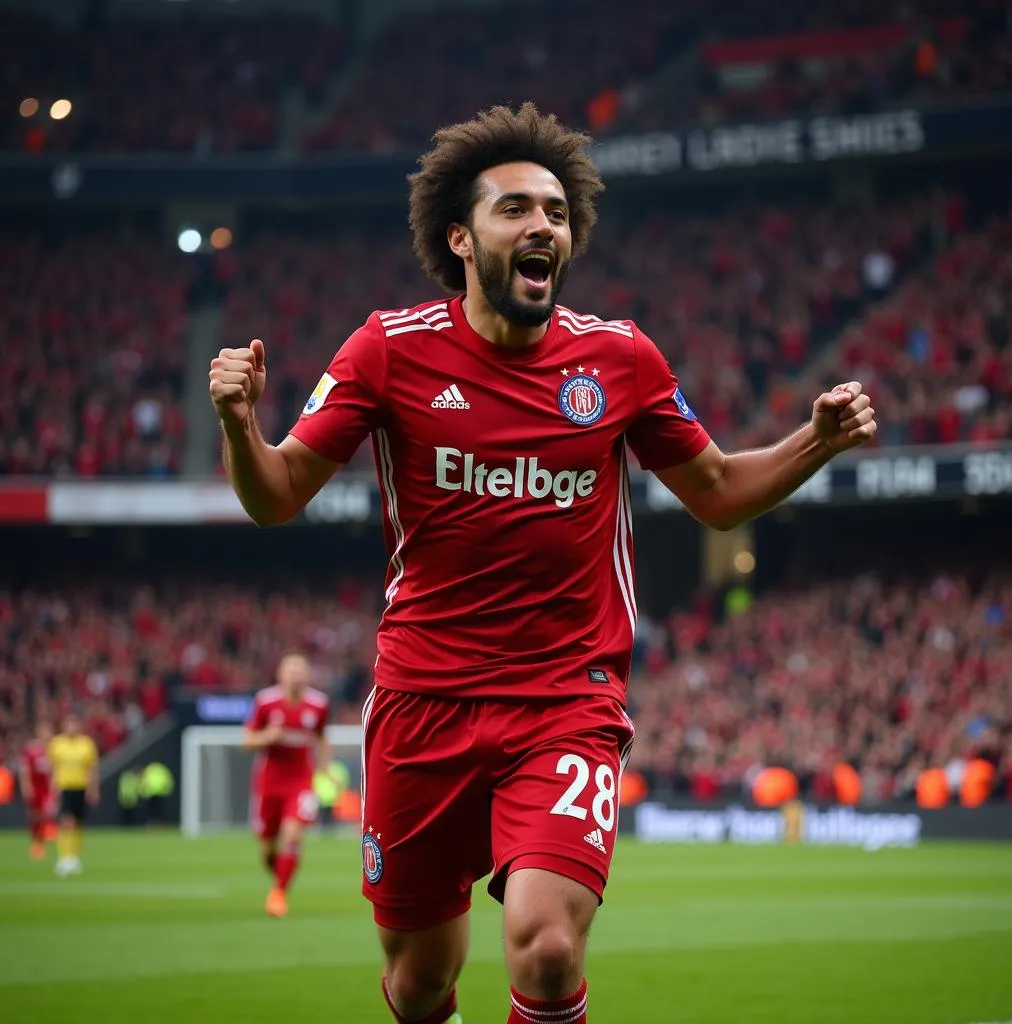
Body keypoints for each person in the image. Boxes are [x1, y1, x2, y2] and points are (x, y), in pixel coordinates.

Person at [210, 102, 878, 1024]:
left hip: (566, 697)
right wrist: (241, 427)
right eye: (516, 209)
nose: (543, 227)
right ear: (461, 236)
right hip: (420, 701)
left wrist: (815, 439)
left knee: (550, 947)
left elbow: (719, 488)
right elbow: (276, 494)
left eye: (558, 213)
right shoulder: (388, 351)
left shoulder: (619, 359)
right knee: (419, 983)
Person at [243, 652, 331, 917]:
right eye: (291, 670)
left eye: (301, 670)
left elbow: (321, 738)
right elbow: (247, 740)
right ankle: (280, 875)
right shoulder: (266, 702)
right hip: (269, 782)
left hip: (301, 781)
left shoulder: (319, 704)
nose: (296, 675)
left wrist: (325, 769)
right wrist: (268, 736)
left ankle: (278, 894)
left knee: (292, 834)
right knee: (268, 847)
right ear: (280, 674)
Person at [47, 712, 99, 877]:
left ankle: (74, 857)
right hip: (64, 787)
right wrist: (51, 789)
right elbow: (51, 768)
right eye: (69, 724)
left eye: (75, 724)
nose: (72, 728)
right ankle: (64, 857)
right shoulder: (56, 744)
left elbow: (92, 769)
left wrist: (93, 789)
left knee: (78, 824)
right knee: (66, 822)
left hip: (81, 788)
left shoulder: (86, 744)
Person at [19, 720, 55, 860]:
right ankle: (37, 844)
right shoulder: (32, 749)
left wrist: (54, 787)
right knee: (35, 816)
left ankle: (47, 832)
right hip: (35, 787)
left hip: (47, 788)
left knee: (47, 813)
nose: (46, 734)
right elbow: (25, 770)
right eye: (44, 730)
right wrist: (26, 786)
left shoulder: (53, 749)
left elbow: (54, 771)